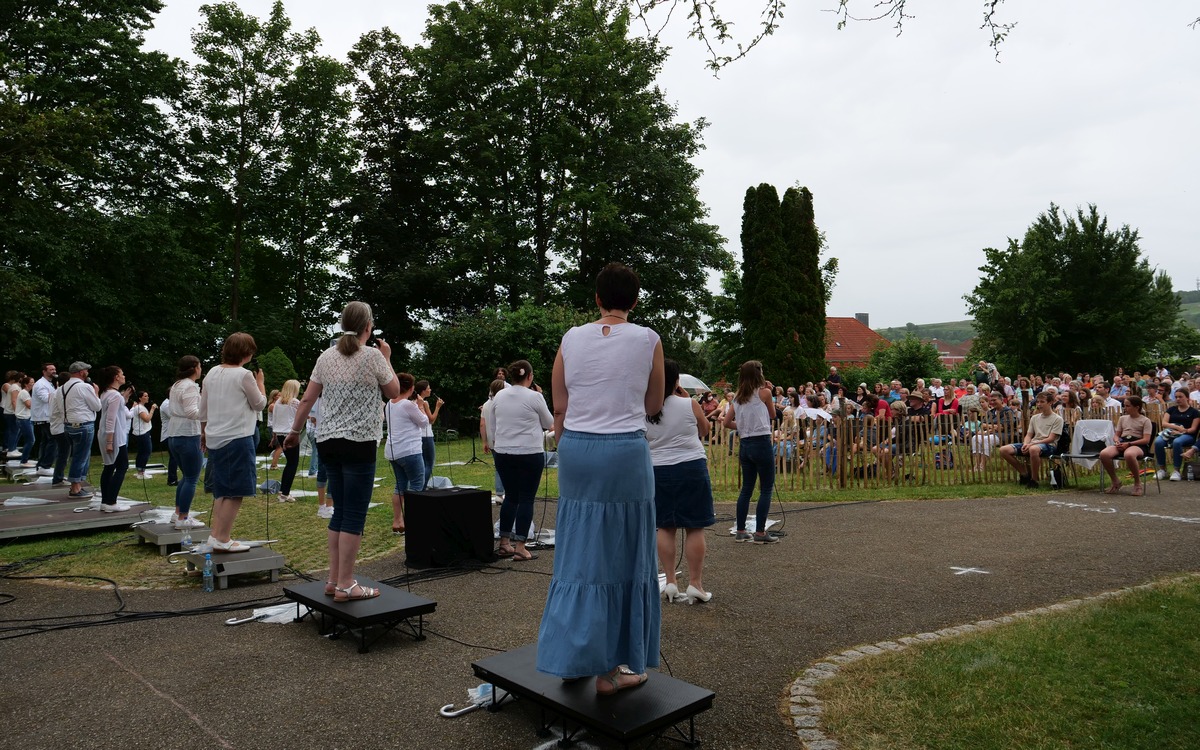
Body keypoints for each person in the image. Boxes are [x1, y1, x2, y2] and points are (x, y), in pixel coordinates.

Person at [537, 262, 665, 695]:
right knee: (624, 555)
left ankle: (573, 657)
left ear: (596, 298)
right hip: (623, 452)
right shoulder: (648, 339)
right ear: (635, 300)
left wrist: (568, 443)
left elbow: (559, 407)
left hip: (576, 449)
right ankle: (613, 668)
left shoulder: (571, 338)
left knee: (578, 552)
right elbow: (651, 404)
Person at [285, 302, 401, 602]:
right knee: (354, 514)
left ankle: (334, 579)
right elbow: (394, 392)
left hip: (328, 441)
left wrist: (294, 432)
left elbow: (308, 398)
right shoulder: (374, 356)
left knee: (339, 512)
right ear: (368, 327)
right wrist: (387, 359)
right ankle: (348, 584)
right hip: (359, 441)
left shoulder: (326, 356)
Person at [200, 334, 268, 552]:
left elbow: (203, 408)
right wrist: (261, 384)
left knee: (222, 490)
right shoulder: (244, 375)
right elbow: (259, 404)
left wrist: (203, 433)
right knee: (236, 491)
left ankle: (216, 535)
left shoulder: (211, 372)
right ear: (247, 353)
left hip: (215, 437)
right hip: (237, 438)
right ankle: (222, 538)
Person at [491, 359, 554, 562]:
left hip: (503, 451)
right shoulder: (535, 396)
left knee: (511, 497)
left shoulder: (499, 395)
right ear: (530, 376)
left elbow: (493, 422)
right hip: (529, 452)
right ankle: (520, 547)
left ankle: (504, 543)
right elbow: (549, 423)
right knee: (526, 498)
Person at [723, 360, 778, 544]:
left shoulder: (737, 397)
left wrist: (743, 426)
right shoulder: (765, 393)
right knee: (766, 488)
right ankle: (760, 533)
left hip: (745, 444)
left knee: (746, 488)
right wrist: (768, 389)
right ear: (758, 374)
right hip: (761, 442)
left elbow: (726, 422)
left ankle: (740, 530)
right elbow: (772, 415)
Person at [384, 372, 426, 535]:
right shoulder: (408, 404)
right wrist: (421, 406)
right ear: (411, 388)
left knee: (400, 486)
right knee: (416, 485)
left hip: (394, 451)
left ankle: (397, 521)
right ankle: (414, 521)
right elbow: (423, 422)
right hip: (410, 450)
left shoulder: (389, 404)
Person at [167, 356, 205, 530]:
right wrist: (209, 412)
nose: (201, 368)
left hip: (174, 434)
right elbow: (192, 412)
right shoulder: (189, 386)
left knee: (186, 476)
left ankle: (177, 513)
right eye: (199, 366)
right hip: (188, 434)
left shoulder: (176, 385)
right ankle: (183, 518)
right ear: (194, 368)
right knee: (191, 478)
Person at [997, 392, 1063, 488]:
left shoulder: (1057, 419)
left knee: (1033, 449)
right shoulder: (1035, 418)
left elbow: (1051, 438)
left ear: (1050, 403)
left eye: (1042, 402)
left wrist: (1032, 444)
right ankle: (1024, 474)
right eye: (1038, 402)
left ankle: (1034, 479)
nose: (1039, 404)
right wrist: (1025, 444)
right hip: (1033, 444)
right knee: (1003, 450)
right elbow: (1028, 435)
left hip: (1049, 446)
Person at [1100, 396, 1153, 496]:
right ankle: (1115, 481)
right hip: (1123, 441)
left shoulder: (1145, 420)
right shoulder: (1122, 418)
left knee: (1129, 454)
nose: (1125, 408)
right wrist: (1116, 441)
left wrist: (1129, 444)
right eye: (1125, 406)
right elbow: (1117, 434)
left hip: (1137, 443)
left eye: (1128, 406)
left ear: (1137, 407)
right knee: (1104, 454)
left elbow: (1146, 439)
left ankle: (1137, 483)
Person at [62, 362, 101, 499]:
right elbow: (97, 406)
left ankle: (77, 484)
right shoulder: (84, 387)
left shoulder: (64, 387)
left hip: (68, 424)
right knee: (81, 457)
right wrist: (96, 393)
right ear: (81, 372)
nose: (88, 373)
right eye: (86, 370)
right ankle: (75, 488)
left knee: (77, 456)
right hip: (83, 425)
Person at [95, 366, 131, 510]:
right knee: (122, 466)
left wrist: (125, 398)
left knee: (109, 467)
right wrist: (110, 441)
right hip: (114, 436)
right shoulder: (115, 395)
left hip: (107, 433)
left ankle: (106, 501)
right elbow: (111, 419)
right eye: (122, 374)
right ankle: (111, 502)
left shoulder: (106, 393)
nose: (124, 376)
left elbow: (116, 412)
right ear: (116, 377)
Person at [1153, 389, 1200, 481]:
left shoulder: (1194, 412)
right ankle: (1162, 469)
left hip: (1187, 435)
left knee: (1177, 442)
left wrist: (1181, 431)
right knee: (1158, 441)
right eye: (1176, 397)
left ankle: (1176, 470)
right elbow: (1164, 423)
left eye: (1180, 397)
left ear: (1187, 398)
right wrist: (1176, 427)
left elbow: (1193, 429)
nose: (1178, 399)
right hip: (1171, 433)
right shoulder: (1171, 410)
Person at [269, 380, 302, 502]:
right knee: (292, 464)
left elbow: (275, 420)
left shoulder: (277, 402)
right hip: (290, 433)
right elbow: (302, 415)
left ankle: (283, 490)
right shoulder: (295, 402)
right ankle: (285, 493)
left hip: (280, 433)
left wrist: (274, 435)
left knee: (290, 463)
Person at [479, 379, 508, 503]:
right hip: (504, 440)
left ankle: (499, 494)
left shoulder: (486, 404)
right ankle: (506, 492)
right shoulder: (504, 403)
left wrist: (484, 441)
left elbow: (482, 424)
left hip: (492, 441)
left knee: (498, 467)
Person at [413, 380, 443, 488]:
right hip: (426, 435)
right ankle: (422, 486)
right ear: (423, 391)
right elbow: (431, 420)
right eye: (428, 388)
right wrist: (438, 407)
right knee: (429, 463)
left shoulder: (413, 402)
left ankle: (418, 485)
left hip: (417, 436)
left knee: (421, 464)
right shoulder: (424, 403)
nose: (430, 390)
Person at [32, 363, 57, 475]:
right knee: (53, 440)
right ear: (44, 371)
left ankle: (41, 465)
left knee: (46, 441)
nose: (54, 371)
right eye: (51, 369)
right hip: (44, 416)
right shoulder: (41, 384)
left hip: (47, 415)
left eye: (54, 369)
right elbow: (46, 398)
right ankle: (45, 465)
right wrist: (60, 392)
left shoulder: (49, 383)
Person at [129, 390, 156, 479]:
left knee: (141, 452)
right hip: (142, 433)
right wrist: (152, 409)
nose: (147, 397)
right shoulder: (140, 408)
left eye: (147, 396)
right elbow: (147, 419)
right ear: (140, 398)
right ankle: (141, 472)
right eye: (145, 396)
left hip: (142, 432)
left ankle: (140, 471)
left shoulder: (140, 407)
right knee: (146, 451)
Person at [12, 375, 36, 467]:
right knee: (30, 440)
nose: (33, 384)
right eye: (31, 383)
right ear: (26, 384)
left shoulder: (26, 393)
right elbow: (29, 405)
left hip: (26, 418)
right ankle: (24, 461)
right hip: (24, 419)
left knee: (30, 440)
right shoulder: (24, 393)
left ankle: (24, 459)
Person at [160, 391, 178, 486]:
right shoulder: (166, 404)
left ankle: (173, 478)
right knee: (174, 457)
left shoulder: (170, 403)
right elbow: (174, 416)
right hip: (168, 435)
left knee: (175, 457)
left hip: (171, 434)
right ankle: (172, 479)